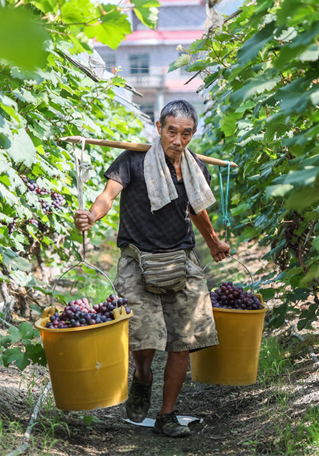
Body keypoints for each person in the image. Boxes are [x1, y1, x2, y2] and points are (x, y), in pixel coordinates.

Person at [74, 100, 230, 438]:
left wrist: (214, 243)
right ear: (159, 128)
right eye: (171, 131)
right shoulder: (132, 161)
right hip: (137, 259)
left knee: (182, 341)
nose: (177, 140)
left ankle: (167, 415)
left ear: (193, 135)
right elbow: (108, 195)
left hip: (182, 258)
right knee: (143, 339)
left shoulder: (194, 168)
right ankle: (143, 376)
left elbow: (197, 211)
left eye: (185, 134)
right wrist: (92, 214)